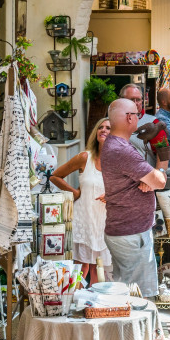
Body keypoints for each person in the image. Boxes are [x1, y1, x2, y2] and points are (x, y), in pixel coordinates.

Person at [101, 99, 166, 298]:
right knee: (140, 298)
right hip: (131, 232)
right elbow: (160, 181)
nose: (139, 117)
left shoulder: (116, 144)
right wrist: (159, 170)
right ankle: (142, 330)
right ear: (129, 117)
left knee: (127, 293)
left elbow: (151, 180)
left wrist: (150, 179)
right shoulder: (121, 149)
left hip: (126, 230)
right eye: (137, 114)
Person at [50, 118, 112, 285]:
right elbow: (55, 176)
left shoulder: (118, 162)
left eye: (108, 128)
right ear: (95, 133)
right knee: (80, 269)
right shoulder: (85, 157)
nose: (103, 130)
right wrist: (75, 192)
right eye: (100, 127)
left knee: (98, 270)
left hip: (105, 222)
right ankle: (73, 299)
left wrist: (112, 195)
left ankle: (95, 307)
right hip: (84, 220)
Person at [119, 83, 166, 170]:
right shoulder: (108, 123)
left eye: (138, 100)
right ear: (120, 100)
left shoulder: (153, 123)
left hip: (144, 180)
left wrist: (159, 174)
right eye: (132, 100)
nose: (136, 103)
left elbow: (163, 153)